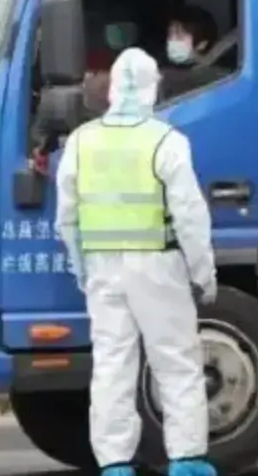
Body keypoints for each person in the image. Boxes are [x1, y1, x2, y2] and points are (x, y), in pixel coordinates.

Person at [55, 48, 219, 476]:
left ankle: (114, 464)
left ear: (110, 91)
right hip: (158, 266)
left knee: (112, 365)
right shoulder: (166, 141)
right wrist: (204, 274)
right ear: (153, 89)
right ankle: (186, 460)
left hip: (102, 269)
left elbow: (66, 218)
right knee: (176, 363)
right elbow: (190, 215)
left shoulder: (80, 141)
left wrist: (80, 268)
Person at [160, 7, 226, 101]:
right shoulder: (158, 75)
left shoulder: (222, 81)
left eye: (180, 36)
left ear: (202, 44)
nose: (172, 41)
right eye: (170, 34)